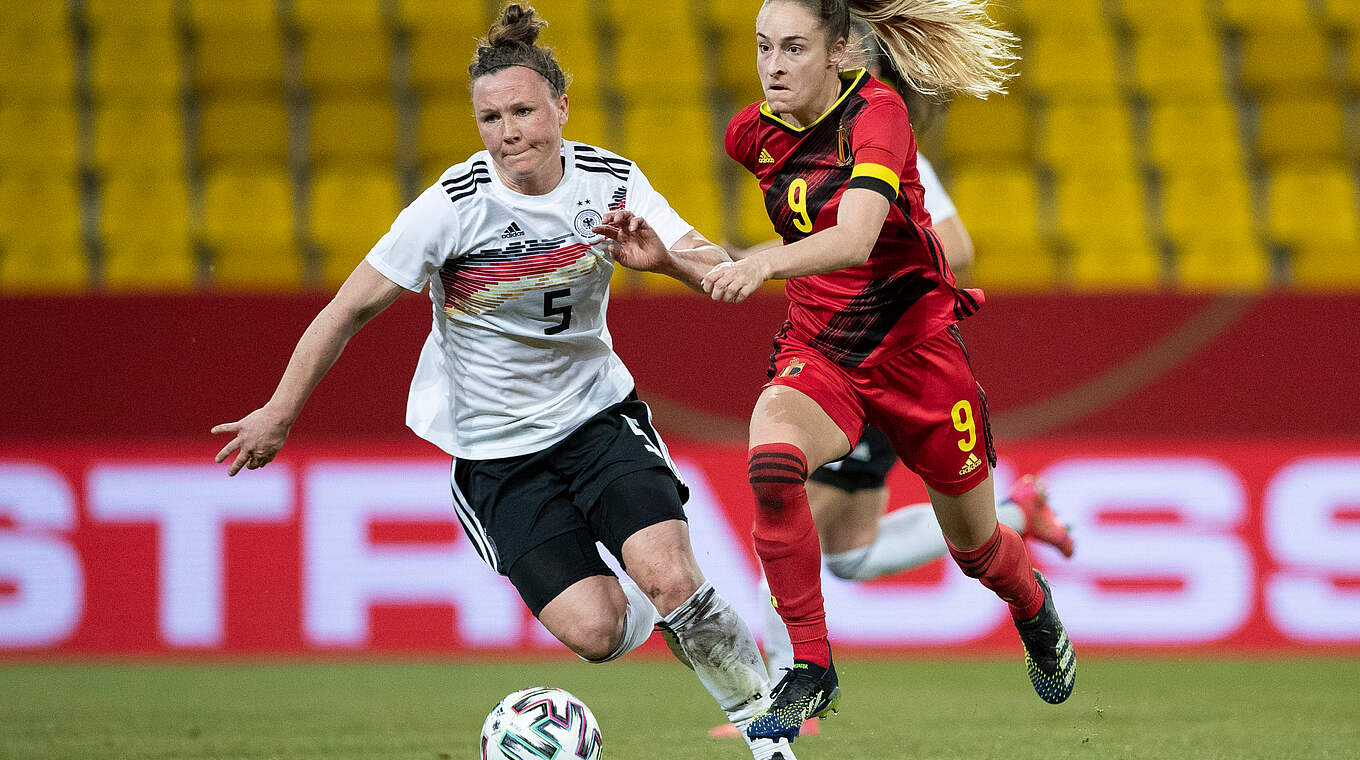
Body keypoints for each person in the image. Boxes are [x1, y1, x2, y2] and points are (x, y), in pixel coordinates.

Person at [209, 6, 795, 759]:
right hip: (497, 456)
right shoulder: (451, 208)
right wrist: (279, 411)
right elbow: (346, 309)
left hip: (597, 420)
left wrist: (668, 263)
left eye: (523, 111)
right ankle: (673, 609)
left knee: (671, 576)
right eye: (491, 117)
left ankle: (769, 736)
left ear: (561, 108)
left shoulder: (611, 181)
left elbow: (713, 265)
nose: (508, 131)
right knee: (597, 631)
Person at [601, 0, 1075, 741]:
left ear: (839, 52)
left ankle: (1032, 606)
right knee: (772, 465)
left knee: (977, 550)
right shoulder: (750, 134)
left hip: (918, 358)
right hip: (821, 352)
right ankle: (809, 668)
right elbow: (744, 263)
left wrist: (762, 264)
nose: (773, 65)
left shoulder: (878, 115)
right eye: (763, 47)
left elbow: (853, 240)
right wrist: (669, 260)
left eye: (793, 47)